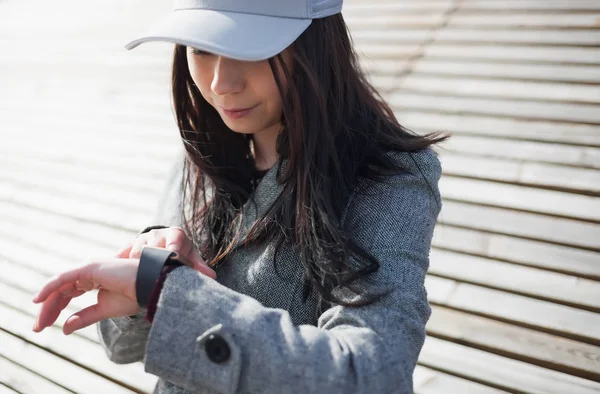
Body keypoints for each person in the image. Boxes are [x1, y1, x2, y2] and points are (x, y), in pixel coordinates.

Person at [31, 0, 449, 392]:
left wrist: (171, 294)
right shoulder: (203, 151)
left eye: (249, 49)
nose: (220, 83)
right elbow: (124, 348)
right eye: (199, 48)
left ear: (315, 45)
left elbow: (375, 374)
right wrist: (151, 270)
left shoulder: (389, 179)